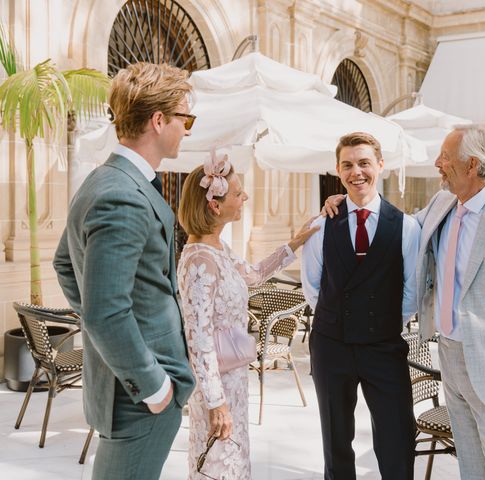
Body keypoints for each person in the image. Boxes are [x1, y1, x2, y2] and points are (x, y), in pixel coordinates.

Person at [325, 125, 485, 479]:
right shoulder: (441, 204)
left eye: (445, 157)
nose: (437, 163)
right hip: (449, 360)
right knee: (471, 467)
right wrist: (351, 201)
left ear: (472, 165)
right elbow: (393, 227)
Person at [53, 63, 197, 479]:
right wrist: (153, 385)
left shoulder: (103, 180)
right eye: (184, 118)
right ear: (158, 120)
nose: (187, 129)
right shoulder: (123, 195)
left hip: (128, 387)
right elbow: (104, 312)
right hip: (140, 397)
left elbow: (65, 263)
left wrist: (112, 328)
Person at [177, 151, 319, 480]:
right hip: (218, 390)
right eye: (238, 193)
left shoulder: (218, 248)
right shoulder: (200, 259)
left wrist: (296, 241)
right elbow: (198, 340)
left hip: (235, 380)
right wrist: (215, 403)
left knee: (234, 464)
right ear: (215, 205)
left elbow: (253, 275)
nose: (245, 197)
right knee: (217, 466)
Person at [301, 132, 420, 480]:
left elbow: (411, 292)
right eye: (348, 165)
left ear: (380, 165)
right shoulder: (321, 225)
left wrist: (379, 323)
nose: (357, 172)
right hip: (331, 344)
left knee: (397, 440)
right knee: (336, 442)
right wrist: (340, 318)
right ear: (338, 171)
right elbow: (313, 287)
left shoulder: (406, 227)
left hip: (383, 345)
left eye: (364, 163)